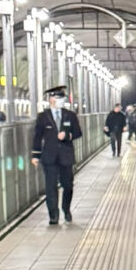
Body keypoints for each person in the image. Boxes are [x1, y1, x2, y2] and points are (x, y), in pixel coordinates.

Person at [30, 84, 83, 225]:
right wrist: (35, 155)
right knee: (51, 186)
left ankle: (66, 209)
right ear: (51, 99)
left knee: (68, 185)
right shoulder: (43, 117)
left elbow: (78, 132)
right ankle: (53, 215)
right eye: (58, 97)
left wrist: (67, 135)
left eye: (62, 97)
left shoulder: (70, 115)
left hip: (66, 156)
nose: (61, 100)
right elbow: (37, 136)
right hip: (49, 157)